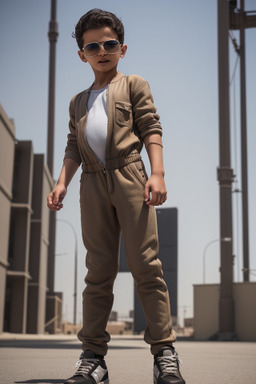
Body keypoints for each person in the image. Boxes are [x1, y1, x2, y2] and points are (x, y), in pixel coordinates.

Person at [47, 8, 186, 384]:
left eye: (109, 43)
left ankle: (164, 355)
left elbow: (150, 127)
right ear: (82, 55)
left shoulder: (134, 84)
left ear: (122, 48)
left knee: (146, 266)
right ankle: (93, 357)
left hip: (130, 175)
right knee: (98, 272)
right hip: (91, 184)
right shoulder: (77, 102)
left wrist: (156, 172)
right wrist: (61, 182)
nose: (102, 51)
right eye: (93, 46)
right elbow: (72, 147)